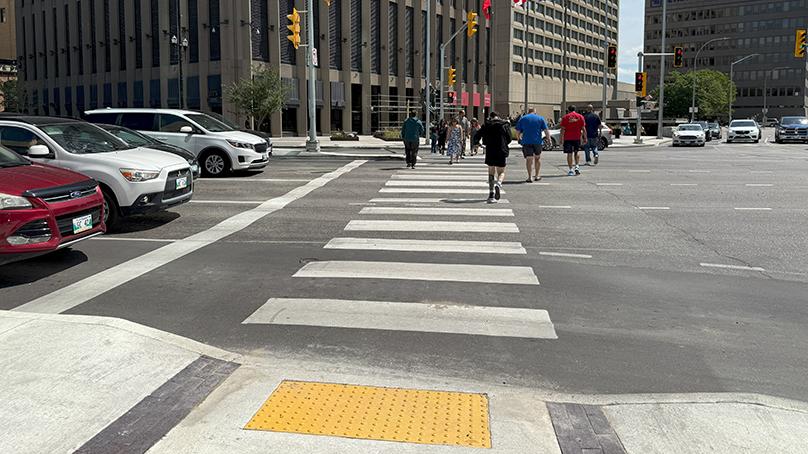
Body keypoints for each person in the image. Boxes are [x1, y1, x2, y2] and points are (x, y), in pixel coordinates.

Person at [473, 112, 512, 203]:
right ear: (498, 117)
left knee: (491, 172)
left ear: (490, 117)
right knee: (501, 172)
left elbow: (477, 136)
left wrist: (477, 143)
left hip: (490, 150)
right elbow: (509, 138)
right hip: (501, 150)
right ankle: (498, 184)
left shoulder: (487, 125)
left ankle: (491, 194)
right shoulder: (504, 125)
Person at [515, 108, 551, 182]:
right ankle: (537, 175)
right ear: (535, 112)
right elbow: (546, 130)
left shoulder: (523, 118)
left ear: (528, 112)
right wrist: (549, 140)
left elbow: (517, 131)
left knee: (529, 159)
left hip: (526, 141)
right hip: (537, 142)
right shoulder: (540, 118)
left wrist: (519, 139)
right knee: (537, 158)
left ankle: (529, 177)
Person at [559, 105, 587, 176]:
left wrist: (561, 139)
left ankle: (571, 169)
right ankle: (577, 165)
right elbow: (583, 129)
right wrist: (585, 138)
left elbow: (562, 129)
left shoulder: (565, 117)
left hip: (568, 138)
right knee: (576, 152)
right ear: (575, 109)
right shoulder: (580, 117)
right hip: (577, 137)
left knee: (569, 153)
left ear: (568, 110)